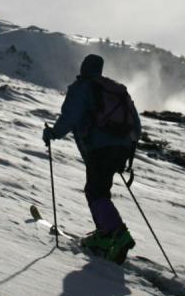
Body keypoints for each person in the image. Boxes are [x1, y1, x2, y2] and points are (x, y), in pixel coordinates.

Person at [42, 54, 141, 264]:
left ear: (84, 67)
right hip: (121, 148)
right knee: (99, 189)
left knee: (95, 191)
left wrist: (52, 134)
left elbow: (70, 117)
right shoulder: (116, 89)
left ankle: (115, 234)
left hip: (99, 148)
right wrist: (125, 148)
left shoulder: (82, 87)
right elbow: (136, 125)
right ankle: (105, 234)